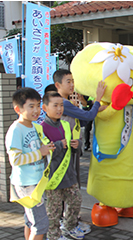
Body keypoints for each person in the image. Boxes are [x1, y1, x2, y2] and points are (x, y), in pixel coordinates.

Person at [53, 69, 106, 233]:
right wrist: (97, 99)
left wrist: (94, 109)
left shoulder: (66, 103)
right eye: (68, 81)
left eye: (72, 81)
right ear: (58, 85)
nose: (72, 84)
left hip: (72, 150)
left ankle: (71, 221)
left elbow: (82, 120)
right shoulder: (63, 103)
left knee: (72, 187)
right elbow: (88, 117)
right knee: (70, 188)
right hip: (66, 152)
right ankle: (67, 223)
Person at [5, 87, 55, 240]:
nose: (36, 110)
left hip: (36, 183)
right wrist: (40, 152)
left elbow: (40, 150)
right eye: (31, 106)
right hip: (27, 185)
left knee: (30, 220)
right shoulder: (16, 130)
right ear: (18, 109)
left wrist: (47, 149)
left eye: (38, 105)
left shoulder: (35, 127)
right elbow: (15, 159)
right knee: (41, 225)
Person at [41, 91, 84, 240]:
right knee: (54, 210)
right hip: (53, 177)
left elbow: (77, 146)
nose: (59, 109)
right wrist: (59, 145)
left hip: (69, 173)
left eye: (61, 105)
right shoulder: (42, 129)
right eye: (55, 105)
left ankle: (70, 227)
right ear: (45, 108)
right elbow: (43, 153)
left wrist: (77, 144)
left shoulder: (66, 124)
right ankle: (53, 235)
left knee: (76, 201)